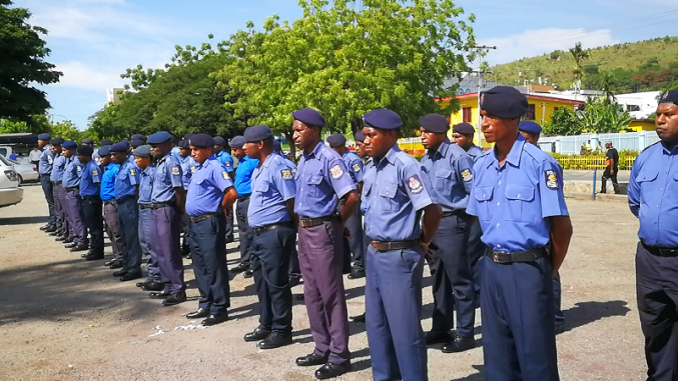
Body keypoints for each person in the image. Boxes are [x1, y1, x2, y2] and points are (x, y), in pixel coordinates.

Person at [467, 86, 572, 380]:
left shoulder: (539, 164)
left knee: (535, 360)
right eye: (482, 116)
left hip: (528, 269)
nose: (483, 123)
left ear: (513, 119)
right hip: (491, 269)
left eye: (491, 117)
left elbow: (562, 228)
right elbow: (477, 225)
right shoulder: (482, 166)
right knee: (497, 359)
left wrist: (544, 271)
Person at [360, 109, 442, 380]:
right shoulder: (371, 167)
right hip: (374, 252)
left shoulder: (406, 165)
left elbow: (432, 210)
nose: (365, 139)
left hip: (399, 255)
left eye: (372, 134)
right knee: (377, 326)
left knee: (405, 331)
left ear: (390, 135)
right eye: (365, 134)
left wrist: (422, 243)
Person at [292, 108, 359, 380]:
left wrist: (338, 223)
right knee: (312, 294)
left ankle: (340, 355)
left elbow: (351, 197)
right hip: (305, 230)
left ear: (315, 130)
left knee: (330, 295)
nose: (294, 134)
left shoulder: (329, 158)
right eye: (294, 130)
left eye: (299, 129)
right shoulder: (304, 159)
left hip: (323, 230)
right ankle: (321, 347)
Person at [628, 90, 678, 381]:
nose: (660, 120)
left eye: (668, 114)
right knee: (655, 327)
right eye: (658, 114)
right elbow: (636, 203)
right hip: (649, 259)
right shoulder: (646, 158)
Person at [419, 114, 477, 353]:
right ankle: (441, 328)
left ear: (440, 133)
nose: (422, 136)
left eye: (426, 132)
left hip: (453, 223)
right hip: (432, 226)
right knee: (439, 280)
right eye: (421, 131)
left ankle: (465, 334)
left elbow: (474, 193)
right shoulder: (427, 158)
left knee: (460, 281)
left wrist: (466, 227)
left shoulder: (458, 157)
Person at [242, 126, 298, 347]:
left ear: (261, 144)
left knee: (277, 284)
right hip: (258, 234)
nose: (244, 147)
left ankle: (282, 330)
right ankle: (266, 324)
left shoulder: (279, 166)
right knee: (262, 284)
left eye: (248, 143)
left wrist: (296, 231)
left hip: (275, 232)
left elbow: (291, 201)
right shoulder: (259, 168)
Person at [184, 134, 237, 326]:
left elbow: (231, 193)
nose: (193, 153)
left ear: (208, 149)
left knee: (214, 265)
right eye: (192, 150)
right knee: (200, 265)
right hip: (195, 222)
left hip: (209, 221)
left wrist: (221, 206)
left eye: (197, 149)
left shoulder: (215, 167)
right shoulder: (199, 168)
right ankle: (205, 303)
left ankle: (219, 308)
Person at [519, 120, 566, 335]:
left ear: (535, 139)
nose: (522, 143)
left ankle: (554, 316)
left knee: (549, 272)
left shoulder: (544, 163)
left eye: (526, 138)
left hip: (542, 225)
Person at [147, 131, 187, 306]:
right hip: (156, 209)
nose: (152, 149)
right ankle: (168, 285)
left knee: (170, 251)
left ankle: (178, 289)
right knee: (160, 250)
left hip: (166, 209)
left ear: (166, 145)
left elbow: (178, 190)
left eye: (155, 146)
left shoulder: (171, 163)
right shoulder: (160, 162)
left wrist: (179, 211)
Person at [327, 133, 366, 279]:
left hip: (351, 200)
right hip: (338, 201)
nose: (332, 150)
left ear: (341, 147)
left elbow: (361, 181)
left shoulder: (352, 160)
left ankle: (359, 264)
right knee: (341, 233)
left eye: (334, 147)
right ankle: (345, 264)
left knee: (353, 233)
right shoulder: (336, 160)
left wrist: (362, 200)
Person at [110, 142, 143, 280]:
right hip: (121, 204)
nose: (112, 157)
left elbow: (137, 187)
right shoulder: (122, 167)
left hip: (130, 203)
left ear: (123, 153)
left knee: (132, 237)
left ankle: (134, 268)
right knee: (124, 236)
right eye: (111, 154)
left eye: (115, 154)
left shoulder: (131, 167)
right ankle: (127, 264)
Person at [134, 145, 165, 291]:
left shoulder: (153, 172)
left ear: (147, 158)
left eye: (138, 158)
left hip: (151, 210)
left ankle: (159, 277)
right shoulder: (143, 172)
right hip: (143, 210)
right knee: (145, 243)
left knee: (153, 244)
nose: (136, 161)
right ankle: (152, 275)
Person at [229, 135, 259, 278]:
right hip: (240, 201)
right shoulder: (241, 162)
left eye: (236, 150)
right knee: (243, 233)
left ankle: (254, 264)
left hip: (249, 200)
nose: (234, 153)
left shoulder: (253, 161)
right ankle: (245, 261)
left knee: (251, 232)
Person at [273, 140, 302, 287]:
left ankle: (294, 274)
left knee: (290, 246)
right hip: (288, 207)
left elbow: (291, 192)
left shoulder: (284, 166)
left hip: (290, 207)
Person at [98, 146, 125, 269]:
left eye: (104, 157)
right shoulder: (107, 168)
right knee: (110, 231)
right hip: (107, 203)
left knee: (117, 231)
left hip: (113, 202)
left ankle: (121, 257)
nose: (101, 159)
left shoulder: (116, 169)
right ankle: (116, 255)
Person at [77, 145, 104, 260]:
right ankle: (93, 249)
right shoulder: (86, 166)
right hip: (86, 199)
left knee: (95, 227)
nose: (78, 157)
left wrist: (98, 199)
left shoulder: (93, 167)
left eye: (80, 155)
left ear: (87, 156)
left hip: (92, 200)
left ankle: (97, 251)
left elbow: (98, 184)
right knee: (91, 226)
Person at [61, 141, 89, 252]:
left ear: (72, 150)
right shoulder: (70, 161)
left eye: (65, 150)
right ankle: (76, 239)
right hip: (67, 192)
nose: (63, 152)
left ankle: (82, 241)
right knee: (71, 217)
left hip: (73, 192)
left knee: (77, 217)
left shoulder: (77, 162)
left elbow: (81, 178)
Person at [213, 136, 236, 243]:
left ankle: (228, 234)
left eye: (215, 145)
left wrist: (228, 187)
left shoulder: (225, 157)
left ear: (221, 146)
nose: (213, 146)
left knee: (228, 211)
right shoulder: (215, 156)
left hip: (225, 186)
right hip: (218, 188)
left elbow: (230, 173)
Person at [177, 138, 196, 258]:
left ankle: (190, 248)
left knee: (188, 223)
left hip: (189, 192)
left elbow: (194, 178)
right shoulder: (183, 161)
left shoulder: (191, 162)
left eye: (182, 149)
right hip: (183, 192)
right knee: (184, 223)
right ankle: (185, 246)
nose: (179, 151)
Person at [38, 133, 57, 232]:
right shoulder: (45, 151)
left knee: (51, 201)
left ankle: (54, 222)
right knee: (49, 201)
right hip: (44, 176)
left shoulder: (48, 151)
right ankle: (51, 221)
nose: (38, 142)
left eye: (40, 140)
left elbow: (53, 164)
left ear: (45, 141)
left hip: (47, 176)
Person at [49, 138, 67, 240]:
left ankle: (65, 231)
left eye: (54, 146)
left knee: (63, 210)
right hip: (55, 185)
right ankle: (60, 229)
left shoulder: (65, 158)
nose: (52, 148)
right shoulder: (56, 156)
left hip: (61, 185)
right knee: (57, 208)